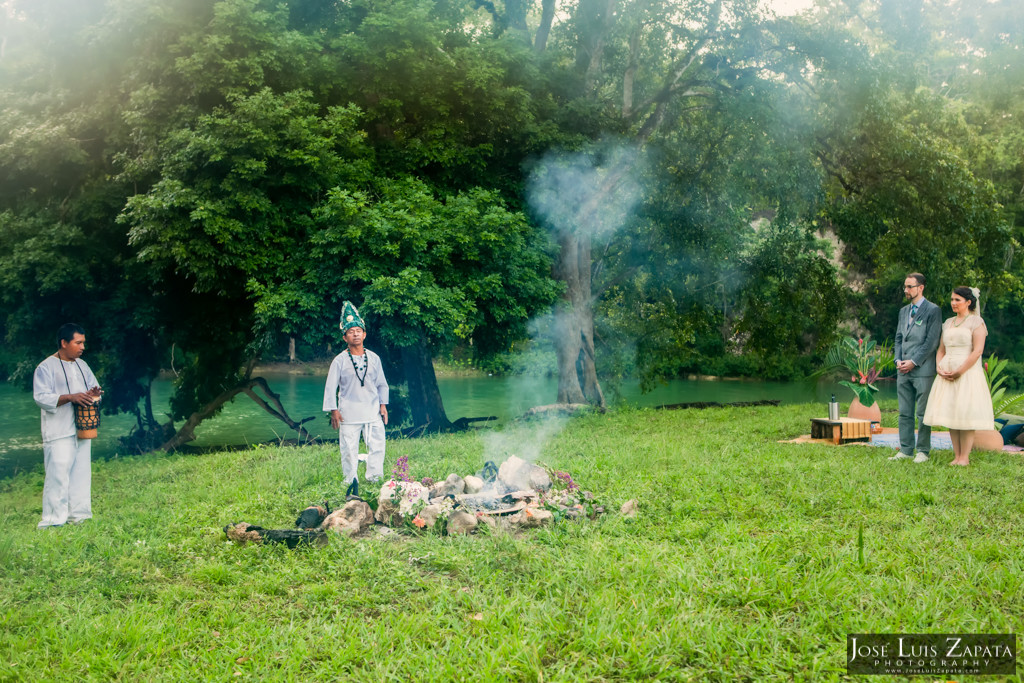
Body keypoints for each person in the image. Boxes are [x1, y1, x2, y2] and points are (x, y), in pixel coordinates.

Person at [32, 323, 102, 529]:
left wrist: (94, 393)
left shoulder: (83, 365)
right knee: (58, 475)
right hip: (58, 429)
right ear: (64, 342)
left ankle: (79, 516)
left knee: (81, 473)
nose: (82, 347)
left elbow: (94, 388)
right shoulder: (45, 367)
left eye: (83, 343)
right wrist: (71, 397)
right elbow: (41, 398)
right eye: (78, 343)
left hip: (82, 427)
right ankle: (53, 521)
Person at [923, 286, 994, 466]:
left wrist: (960, 370)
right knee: (951, 413)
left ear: (968, 302)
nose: (953, 303)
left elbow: (977, 351)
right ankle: (956, 456)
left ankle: (965, 457)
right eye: (952, 300)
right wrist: (939, 367)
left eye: (957, 300)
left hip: (967, 372)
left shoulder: (976, 322)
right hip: (947, 371)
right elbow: (941, 350)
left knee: (965, 413)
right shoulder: (947, 323)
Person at [323, 302, 390, 488]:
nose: (355, 334)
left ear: (365, 334)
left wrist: (383, 406)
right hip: (348, 413)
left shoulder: (374, 358)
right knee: (348, 450)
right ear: (345, 337)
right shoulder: (339, 361)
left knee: (377, 445)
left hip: (372, 411)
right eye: (351, 331)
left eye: (358, 331)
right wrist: (334, 411)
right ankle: (350, 480)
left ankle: (374, 477)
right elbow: (330, 388)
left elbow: (382, 384)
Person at [891, 272, 942, 463]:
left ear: (921, 288)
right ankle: (905, 450)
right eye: (905, 287)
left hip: (922, 370)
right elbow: (898, 338)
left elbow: (931, 342)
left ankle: (923, 451)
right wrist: (898, 360)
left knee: (922, 413)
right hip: (902, 369)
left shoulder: (933, 310)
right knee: (904, 412)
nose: (906, 290)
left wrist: (914, 362)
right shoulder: (903, 311)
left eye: (910, 287)